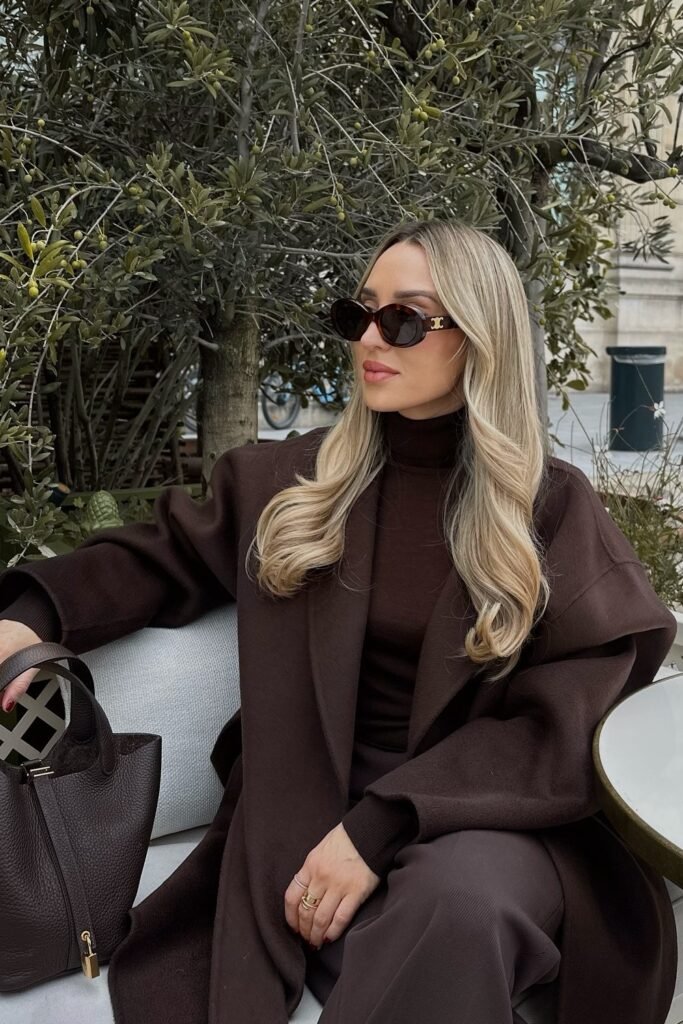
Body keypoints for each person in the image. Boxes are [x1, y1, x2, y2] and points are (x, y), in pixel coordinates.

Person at [0, 218, 677, 1024]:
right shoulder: (290, 484)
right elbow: (152, 561)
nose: (369, 338)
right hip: (306, 803)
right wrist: (27, 615)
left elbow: (565, 720)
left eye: (404, 319)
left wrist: (379, 826)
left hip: (488, 812)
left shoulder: (550, 508)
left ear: (479, 338)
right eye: (357, 313)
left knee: (459, 908)